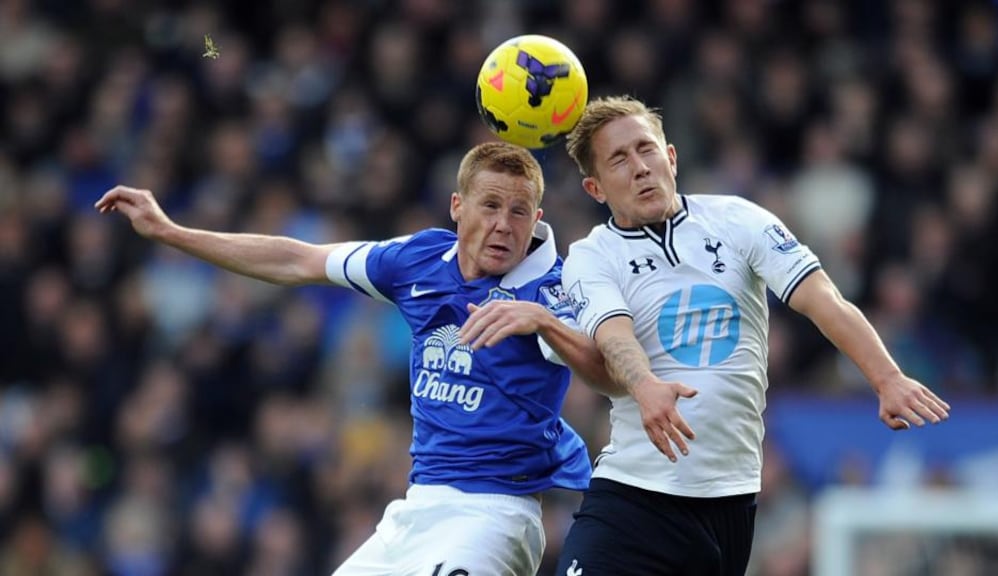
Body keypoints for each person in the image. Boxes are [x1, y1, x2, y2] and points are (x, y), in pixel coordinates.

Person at [95, 141, 615, 576]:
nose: (504, 224)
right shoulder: (417, 260)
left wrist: (543, 322)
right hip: (418, 508)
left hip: (495, 515)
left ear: (537, 219)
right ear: (458, 206)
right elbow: (299, 260)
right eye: (490, 205)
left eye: (518, 211)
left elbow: (605, 371)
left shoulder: (553, 290)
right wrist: (171, 232)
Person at [549, 95, 952, 575]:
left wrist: (886, 378)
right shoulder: (592, 256)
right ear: (595, 188)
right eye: (619, 159)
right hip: (634, 494)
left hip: (731, 502)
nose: (640, 167)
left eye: (646, 149)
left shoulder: (738, 221)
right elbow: (612, 335)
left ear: (671, 157)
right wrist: (644, 386)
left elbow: (823, 300)